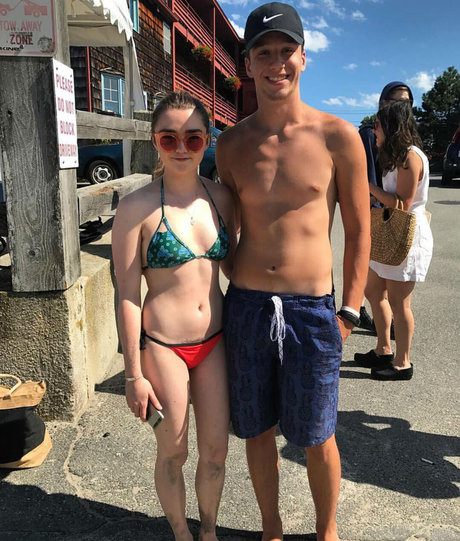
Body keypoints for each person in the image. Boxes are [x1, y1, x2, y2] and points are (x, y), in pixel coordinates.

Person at [216, 3, 370, 540]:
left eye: (286, 51)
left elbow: (359, 231)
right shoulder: (231, 144)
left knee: (317, 435)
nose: (276, 62)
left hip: (312, 311)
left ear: (304, 57)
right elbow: (224, 230)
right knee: (256, 429)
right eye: (264, 52)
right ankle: (271, 527)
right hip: (248, 305)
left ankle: (327, 530)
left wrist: (349, 312)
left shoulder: (338, 136)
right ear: (248, 63)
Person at [112, 91, 236, 541]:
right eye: (169, 139)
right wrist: (133, 375)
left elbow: (238, 267)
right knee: (174, 452)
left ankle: (209, 531)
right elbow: (128, 296)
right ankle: (182, 533)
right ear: (155, 141)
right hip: (163, 347)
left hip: (215, 342)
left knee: (216, 453)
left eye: (193, 138)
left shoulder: (222, 198)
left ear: (207, 141)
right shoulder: (135, 208)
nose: (182, 148)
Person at [355, 100, 433, 381]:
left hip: (406, 236)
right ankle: (383, 348)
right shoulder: (396, 156)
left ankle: (403, 363)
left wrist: (370, 188)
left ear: (391, 127)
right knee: (373, 291)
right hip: (391, 234)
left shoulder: (410, 157)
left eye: (377, 125)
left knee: (400, 304)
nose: (374, 130)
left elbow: (402, 203)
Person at [358, 82, 414, 332]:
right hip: (377, 209)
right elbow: (368, 171)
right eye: (395, 101)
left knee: (392, 285)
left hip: (398, 215)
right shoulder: (372, 132)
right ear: (383, 103)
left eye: (406, 102)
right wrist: (371, 199)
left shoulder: (408, 144)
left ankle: (389, 332)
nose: (401, 107)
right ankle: (361, 311)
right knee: (372, 272)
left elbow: (405, 199)